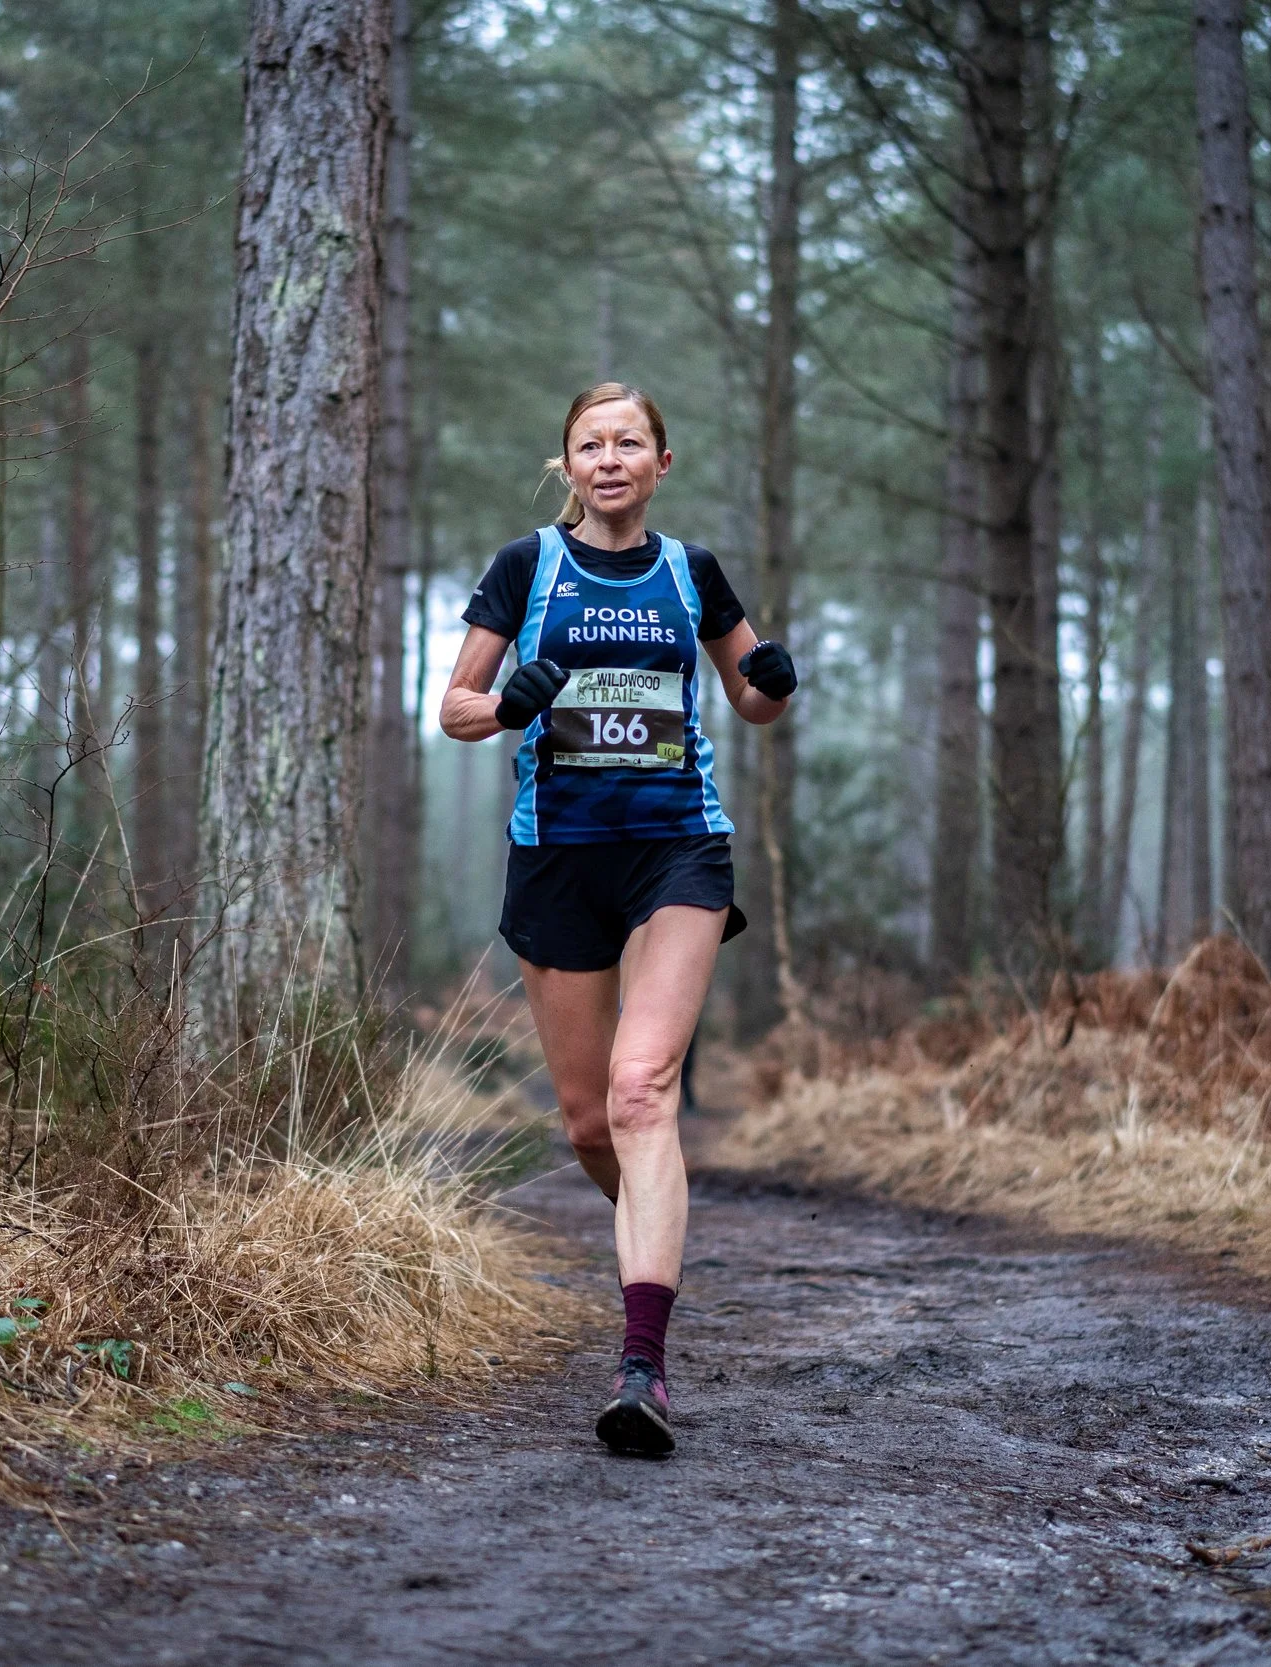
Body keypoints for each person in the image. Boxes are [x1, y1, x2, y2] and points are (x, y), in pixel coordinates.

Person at [438, 382, 797, 1456]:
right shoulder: (525, 567)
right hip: (559, 858)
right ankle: (655, 1221)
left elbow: (751, 695)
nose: (608, 458)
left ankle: (642, 1362)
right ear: (566, 465)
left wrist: (773, 681)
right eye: (589, 444)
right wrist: (512, 700)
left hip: (675, 848)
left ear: (660, 462)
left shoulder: (691, 572)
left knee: (643, 1093)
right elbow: (455, 709)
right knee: (593, 1123)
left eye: (627, 442)